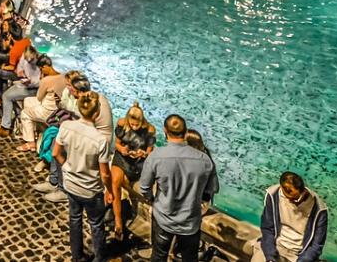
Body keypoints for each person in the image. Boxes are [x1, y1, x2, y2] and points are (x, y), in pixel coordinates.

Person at [139, 114, 220, 262]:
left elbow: (144, 188)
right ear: (185, 131)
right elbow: (211, 190)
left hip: (163, 218)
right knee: (190, 258)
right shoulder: (205, 160)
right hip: (190, 222)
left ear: (165, 131)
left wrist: (153, 201)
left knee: (158, 256)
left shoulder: (156, 157)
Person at [53, 91, 114, 262]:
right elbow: (104, 173)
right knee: (96, 224)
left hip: (71, 184)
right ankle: (99, 258)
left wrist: (66, 166)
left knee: (75, 220)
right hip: (90, 190)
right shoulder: (100, 140)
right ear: (96, 113)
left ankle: (77, 256)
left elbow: (56, 153)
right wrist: (109, 190)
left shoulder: (66, 126)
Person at [252, 172, 328, 262]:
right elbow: (268, 229)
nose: (296, 201)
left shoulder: (319, 209)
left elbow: (317, 245)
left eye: (299, 197)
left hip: (298, 254)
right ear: (282, 189)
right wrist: (270, 256)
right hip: (276, 245)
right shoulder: (273, 195)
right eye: (292, 198)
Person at [110, 102, 156, 241]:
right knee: (115, 182)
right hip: (122, 159)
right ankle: (118, 222)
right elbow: (117, 144)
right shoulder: (122, 124)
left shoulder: (150, 130)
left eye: (137, 125)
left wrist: (143, 153)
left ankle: (126, 211)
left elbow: (150, 151)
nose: (135, 127)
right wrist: (122, 149)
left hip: (138, 163)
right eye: (132, 124)